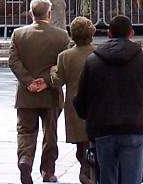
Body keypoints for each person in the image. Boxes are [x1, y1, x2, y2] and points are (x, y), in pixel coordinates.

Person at [73, 14, 143, 184]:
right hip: (134, 126)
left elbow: (81, 99)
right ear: (131, 33)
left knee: (106, 176)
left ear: (108, 34)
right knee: (132, 177)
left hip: (103, 128)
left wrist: (91, 116)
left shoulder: (93, 61)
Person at [9, 0, 71, 184]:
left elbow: (13, 61)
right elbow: (63, 65)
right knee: (50, 133)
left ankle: (25, 159)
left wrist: (28, 82)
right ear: (49, 14)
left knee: (26, 131)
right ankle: (48, 171)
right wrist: (46, 81)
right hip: (50, 94)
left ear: (31, 14)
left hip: (26, 94)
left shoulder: (18, 34)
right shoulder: (61, 36)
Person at [50, 16, 96, 184]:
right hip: (96, 104)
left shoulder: (65, 56)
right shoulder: (97, 53)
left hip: (74, 104)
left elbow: (58, 82)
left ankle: (85, 169)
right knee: (94, 139)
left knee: (80, 143)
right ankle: (89, 170)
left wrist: (52, 72)